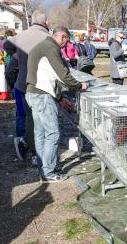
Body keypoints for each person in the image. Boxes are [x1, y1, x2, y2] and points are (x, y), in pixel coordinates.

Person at [25, 27, 87, 182]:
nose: (66, 44)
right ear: (62, 36)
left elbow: (47, 73)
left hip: (33, 93)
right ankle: (49, 171)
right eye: (66, 40)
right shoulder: (51, 48)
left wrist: (59, 98)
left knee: (41, 133)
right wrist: (79, 85)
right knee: (53, 133)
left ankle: (44, 167)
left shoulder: (41, 46)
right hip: (42, 96)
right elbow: (62, 73)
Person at [10, 10, 50, 163]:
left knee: (30, 119)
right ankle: (35, 153)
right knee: (38, 120)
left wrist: (18, 65)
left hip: (22, 84)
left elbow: (8, 51)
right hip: (38, 84)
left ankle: (26, 143)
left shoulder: (20, 37)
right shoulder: (46, 37)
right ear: (45, 22)